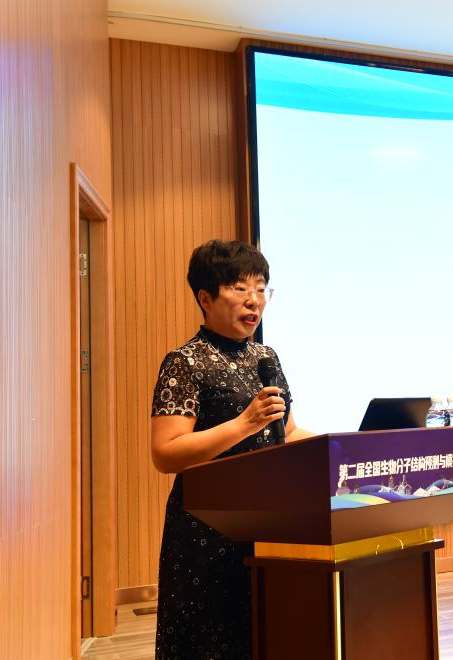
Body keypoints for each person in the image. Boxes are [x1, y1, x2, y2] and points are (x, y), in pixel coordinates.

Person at [150, 239, 313, 659]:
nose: (254, 300)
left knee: (262, 635)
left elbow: (286, 433)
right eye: (240, 289)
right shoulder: (185, 362)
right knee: (208, 642)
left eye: (261, 288)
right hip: (207, 530)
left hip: (269, 521)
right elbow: (165, 452)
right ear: (205, 298)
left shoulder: (266, 357)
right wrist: (244, 423)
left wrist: (339, 449)